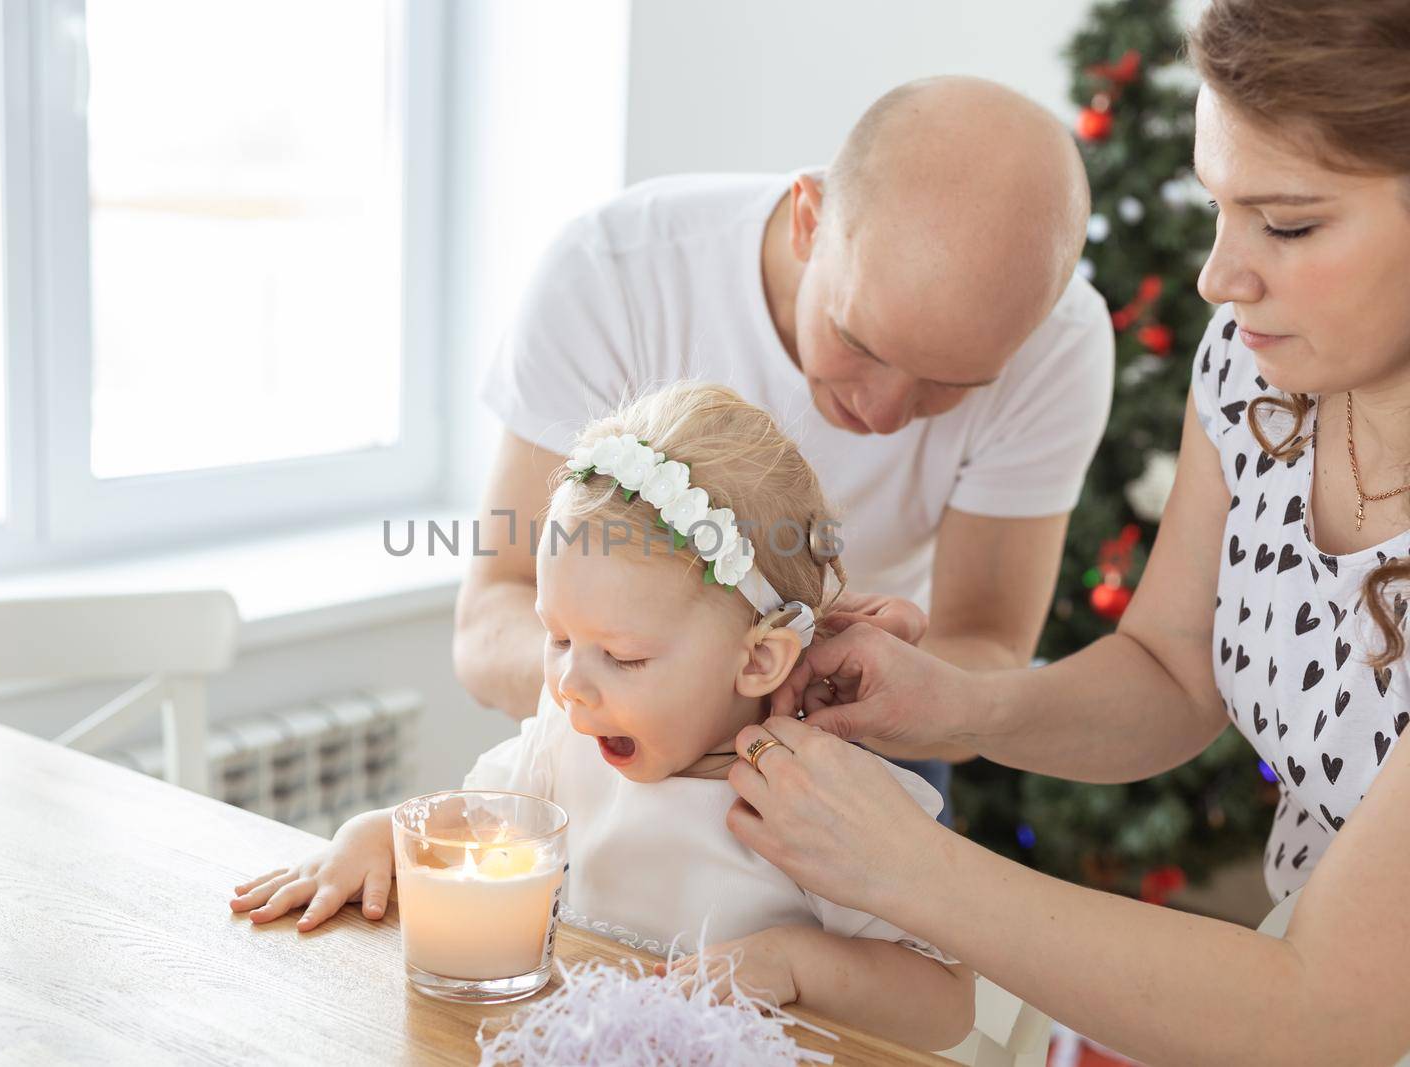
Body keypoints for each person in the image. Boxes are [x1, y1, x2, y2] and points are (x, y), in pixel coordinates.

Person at [725, 2, 1410, 1063]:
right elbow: (1174, 671)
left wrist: (904, 865)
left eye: (1285, 223)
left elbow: (1333, 1011)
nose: (1217, 278)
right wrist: (961, 703)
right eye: (1217, 206)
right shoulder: (1256, 374)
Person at [230, 383, 974, 1048]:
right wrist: (373, 836)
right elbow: (470, 827)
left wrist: (792, 962)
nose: (569, 686)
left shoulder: (828, 802)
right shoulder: (565, 748)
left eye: (622, 656)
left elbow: (946, 1004)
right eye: (558, 637)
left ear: (757, 660)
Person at [454, 76, 1114, 810]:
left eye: (952, 383)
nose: (885, 412)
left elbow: (985, 656)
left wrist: (797, 683)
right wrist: (648, 679)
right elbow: (489, 620)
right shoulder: (615, 272)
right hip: (600, 748)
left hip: (866, 746)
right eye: (857, 342)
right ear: (809, 219)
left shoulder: (1063, 347)